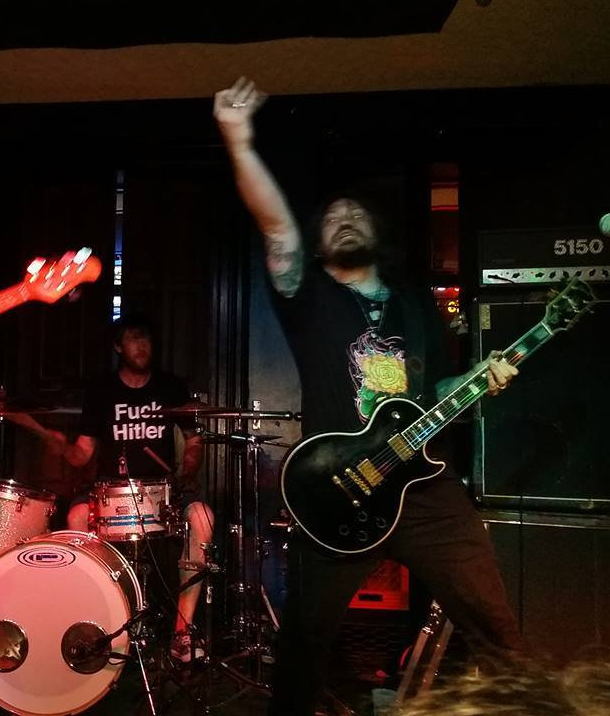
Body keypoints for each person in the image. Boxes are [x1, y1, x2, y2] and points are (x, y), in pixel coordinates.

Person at [214, 78, 524, 715]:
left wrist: (477, 381)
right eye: (332, 216)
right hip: (339, 491)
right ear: (317, 240)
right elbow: (275, 225)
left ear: (375, 229)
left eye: (355, 213)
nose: (345, 219)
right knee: (305, 642)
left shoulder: (414, 303)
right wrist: (239, 141)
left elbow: (430, 391)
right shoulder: (310, 295)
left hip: (426, 489)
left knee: (496, 628)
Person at [45, 314, 214, 663]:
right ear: (118, 346)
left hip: (164, 488)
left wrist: (188, 472)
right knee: (76, 517)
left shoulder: (170, 386)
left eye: (147, 338)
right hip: (110, 489)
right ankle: (97, 625)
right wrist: (61, 446)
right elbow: (83, 453)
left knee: (203, 519)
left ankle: (181, 633)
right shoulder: (101, 391)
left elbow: (194, 441)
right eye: (134, 338)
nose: (142, 345)